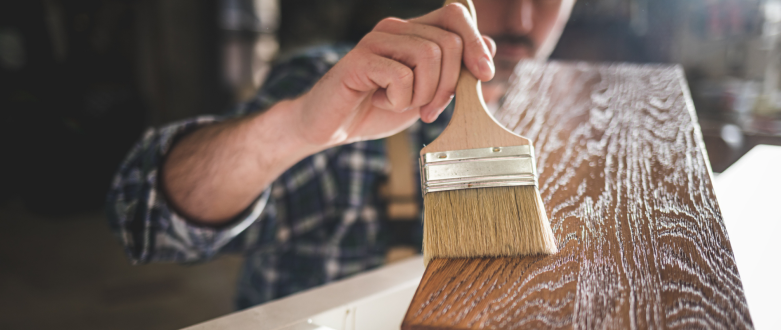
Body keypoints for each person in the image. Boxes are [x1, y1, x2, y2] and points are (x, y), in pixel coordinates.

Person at [107, 0, 575, 309]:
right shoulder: (339, 82)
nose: (522, 21)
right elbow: (144, 217)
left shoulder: (575, 115)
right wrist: (293, 129)